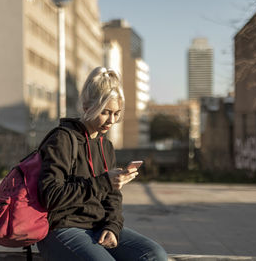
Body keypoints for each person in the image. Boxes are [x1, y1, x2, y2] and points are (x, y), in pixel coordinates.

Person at [37, 67, 167, 261]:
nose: (112, 121)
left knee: (154, 255)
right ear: (87, 106)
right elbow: (51, 196)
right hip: (62, 228)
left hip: (97, 227)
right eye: (105, 112)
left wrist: (112, 227)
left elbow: (113, 197)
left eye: (116, 113)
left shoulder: (105, 146)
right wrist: (104, 182)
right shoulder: (63, 139)